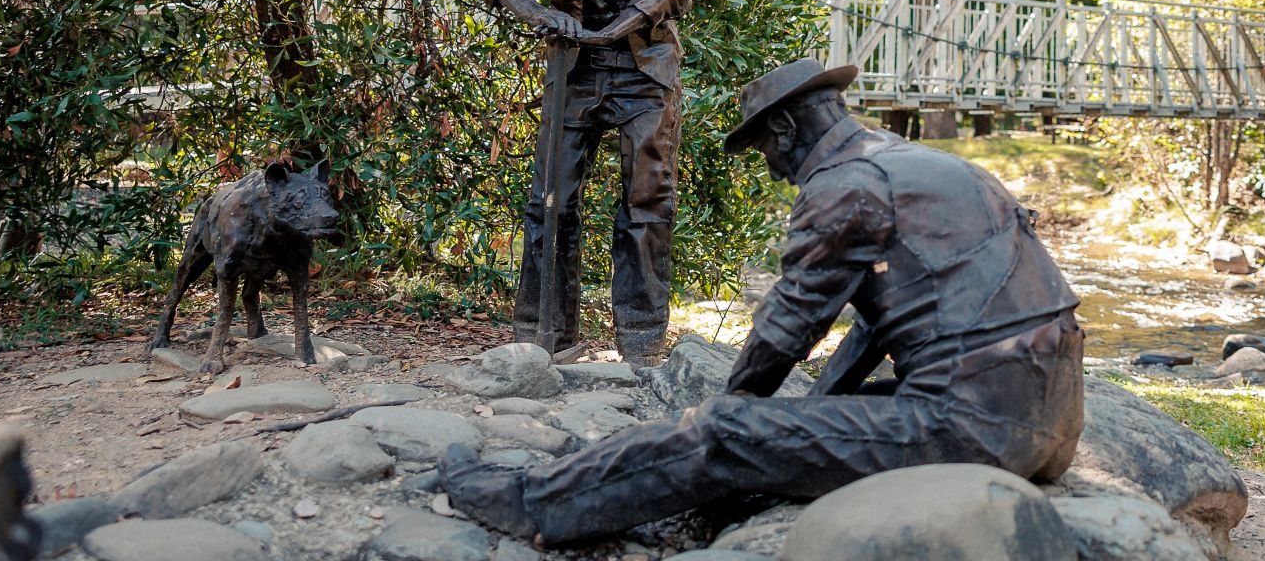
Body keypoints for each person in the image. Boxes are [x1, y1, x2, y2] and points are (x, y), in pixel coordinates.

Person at [439, 57, 1085, 548]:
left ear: (784, 126)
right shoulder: (925, 165)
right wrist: (800, 422)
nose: (774, 168)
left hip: (975, 430)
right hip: (1054, 420)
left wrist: (735, 413)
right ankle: (595, 474)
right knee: (775, 430)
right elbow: (871, 333)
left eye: (767, 149)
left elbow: (784, 332)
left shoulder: (843, 188)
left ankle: (531, 504)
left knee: (722, 434)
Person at [476, 0, 692, 363]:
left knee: (647, 201)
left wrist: (613, 30)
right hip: (574, 72)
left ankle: (642, 344)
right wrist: (539, 14)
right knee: (548, 201)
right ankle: (543, 337)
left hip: (644, 71)